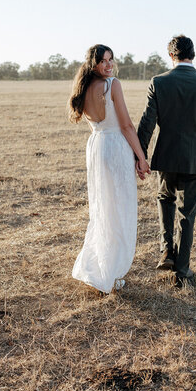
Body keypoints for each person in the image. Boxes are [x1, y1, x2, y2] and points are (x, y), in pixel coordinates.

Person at [137, 35, 196, 288]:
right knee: (188, 213)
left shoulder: (159, 82)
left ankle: (166, 251)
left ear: (170, 55)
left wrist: (140, 155)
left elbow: (147, 122)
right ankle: (182, 271)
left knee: (165, 199)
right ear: (193, 54)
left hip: (167, 156)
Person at [68, 44, 150, 294]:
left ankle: (100, 267)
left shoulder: (84, 87)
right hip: (114, 148)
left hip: (96, 146)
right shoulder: (112, 84)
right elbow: (126, 126)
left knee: (103, 207)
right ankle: (110, 272)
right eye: (103, 61)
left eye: (111, 60)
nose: (109, 64)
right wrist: (142, 157)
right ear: (93, 63)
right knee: (118, 210)